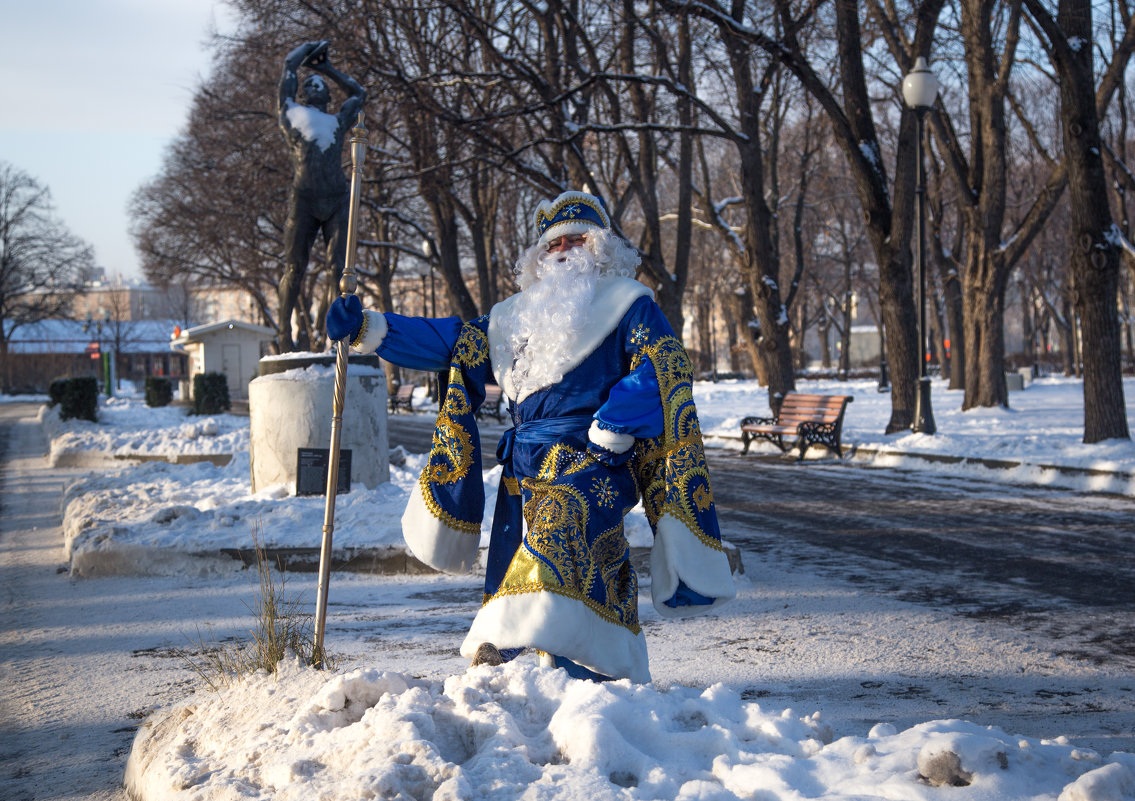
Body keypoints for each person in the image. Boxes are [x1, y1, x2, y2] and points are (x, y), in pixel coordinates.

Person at [326, 191, 735, 682]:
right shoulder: (512, 318)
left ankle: (546, 660)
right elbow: (450, 342)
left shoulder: (629, 306)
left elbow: (662, 369)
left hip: (592, 459)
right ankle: (532, 679)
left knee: (559, 539)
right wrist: (371, 327)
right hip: (524, 467)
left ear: (601, 247)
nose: (563, 249)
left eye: (576, 239)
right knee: (531, 559)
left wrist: (613, 424)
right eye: (552, 243)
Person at [277, 40, 367, 352]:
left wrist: (327, 68)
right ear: (304, 95)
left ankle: (336, 337)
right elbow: (288, 69)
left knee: (339, 273)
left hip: (336, 200)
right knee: (294, 268)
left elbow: (359, 94)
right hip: (303, 201)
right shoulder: (294, 117)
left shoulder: (337, 122)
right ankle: (283, 336)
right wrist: (306, 53)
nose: (315, 85)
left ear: (328, 95)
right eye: (310, 83)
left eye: (321, 84)